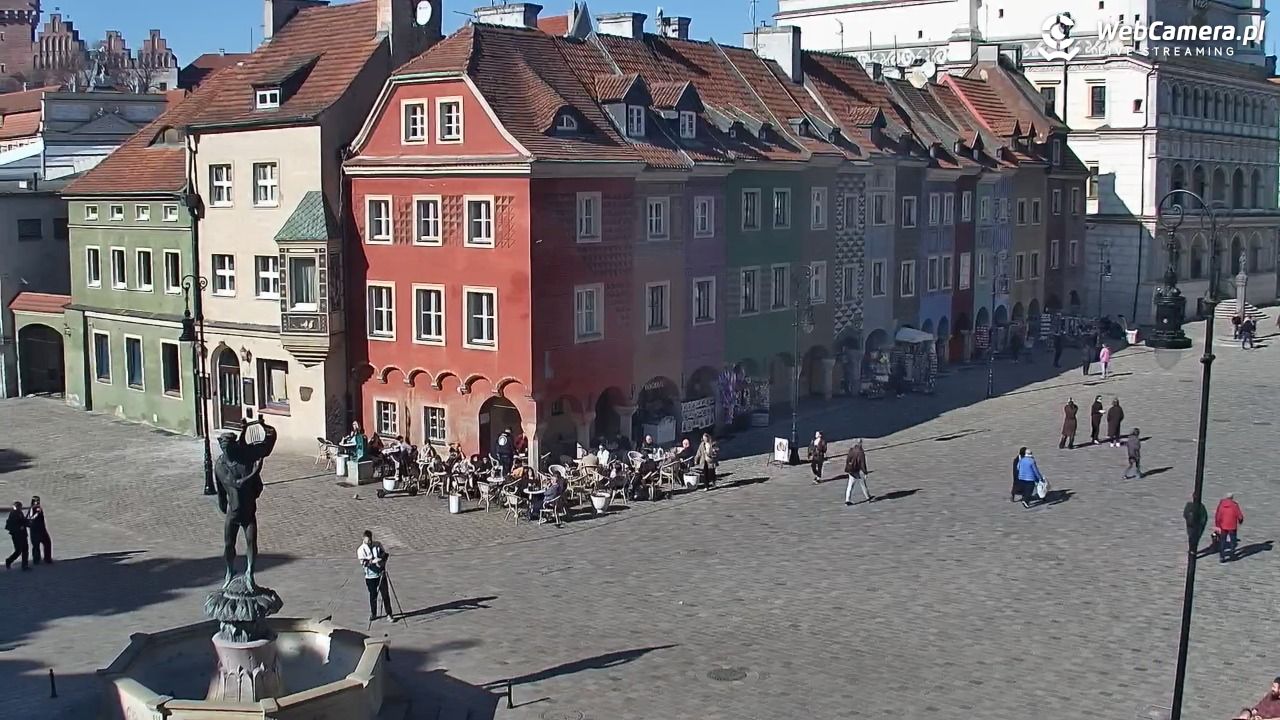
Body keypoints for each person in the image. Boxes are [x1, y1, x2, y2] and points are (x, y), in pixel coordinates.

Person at [357, 530, 393, 622]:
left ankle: (389, 614)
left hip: (381, 574)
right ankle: (373, 613)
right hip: (370, 576)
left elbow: (385, 555)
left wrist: (382, 561)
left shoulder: (377, 545)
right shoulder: (361, 550)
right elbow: (363, 563)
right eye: (367, 540)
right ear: (363, 538)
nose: (369, 542)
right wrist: (373, 561)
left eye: (370, 539)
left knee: (385, 594)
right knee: (373, 595)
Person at [1215, 493, 1245, 563]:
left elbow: (1218, 516)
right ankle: (1232, 554)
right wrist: (1240, 520)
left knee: (1222, 541)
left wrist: (1218, 524)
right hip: (1232, 526)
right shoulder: (1234, 505)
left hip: (1223, 526)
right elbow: (1239, 515)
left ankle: (1222, 556)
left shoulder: (1221, 505)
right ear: (1232, 498)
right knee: (1232, 540)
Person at [844, 439, 873, 505]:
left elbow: (848, 459)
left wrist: (848, 468)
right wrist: (865, 472)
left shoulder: (851, 450)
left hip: (851, 469)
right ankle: (868, 497)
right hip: (856, 470)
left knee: (850, 485)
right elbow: (862, 463)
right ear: (860, 443)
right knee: (863, 484)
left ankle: (847, 500)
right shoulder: (860, 452)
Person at [5, 500, 29, 571]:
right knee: (18, 550)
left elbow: (23, 521)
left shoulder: (20, 513)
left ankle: (25, 565)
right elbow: (13, 524)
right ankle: (9, 561)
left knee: (25, 550)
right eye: (18, 506)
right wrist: (20, 525)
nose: (19, 508)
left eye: (20, 506)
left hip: (23, 534)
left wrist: (27, 522)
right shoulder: (13, 514)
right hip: (17, 535)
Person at [27, 496, 50, 565]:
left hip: (42, 530)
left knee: (47, 543)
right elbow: (31, 518)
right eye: (36, 501)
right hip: (35, 531)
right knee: (36, 546)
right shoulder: (32, 509)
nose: (37, 502)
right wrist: (37, 513)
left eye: (38, 501)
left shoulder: (38, 508)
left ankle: (47, 558)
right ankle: (36, 560)